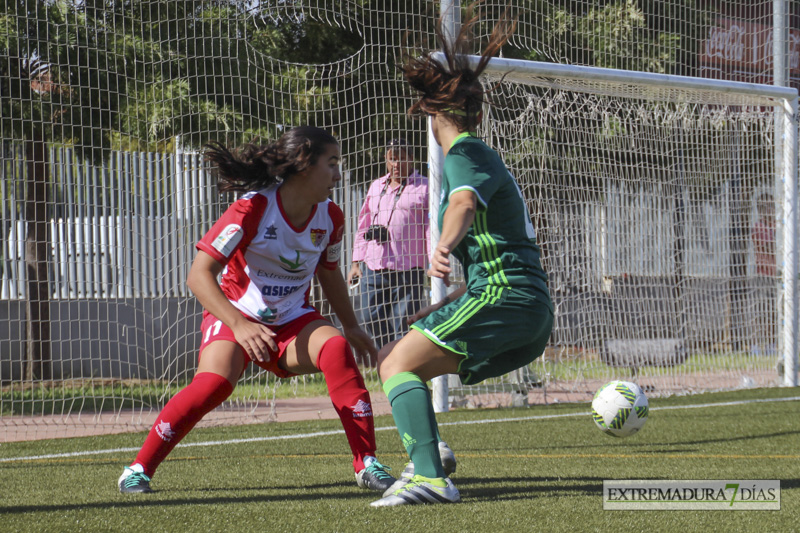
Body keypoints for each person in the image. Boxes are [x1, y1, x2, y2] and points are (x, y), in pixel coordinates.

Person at [117, 126, 396, 494]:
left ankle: (367, 464)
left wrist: (352, 326)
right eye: (331, 164)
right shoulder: (252, 207)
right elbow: (199, 276)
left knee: (336, 348)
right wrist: (239, 325)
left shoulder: (332, 216)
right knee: (214, 384)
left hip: (292, 320)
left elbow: (329, 272)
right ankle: (138, 469)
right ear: (303, 166)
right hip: (234, 313)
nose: (338, 174)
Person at [370, 9, 554, 507]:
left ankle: (430, 478)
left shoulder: (463, 155)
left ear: (435, 115)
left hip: (508, 297)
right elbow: (493, 245)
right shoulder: (482, 152)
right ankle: (430, 456)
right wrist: (440, 304)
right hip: (521, 305)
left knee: (397, 367)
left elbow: (463, 204)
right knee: (397, 360)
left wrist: (444, 244)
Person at [347, 138, 429, 361]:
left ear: (411, 159)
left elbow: (431, 228)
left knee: (404, 321)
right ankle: (387, 357)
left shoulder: (424, 186)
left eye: (402, 158)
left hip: (408, 268)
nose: (396, 164)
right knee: (370, 316)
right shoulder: (376, 186)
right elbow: (363, 224)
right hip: (375, 266)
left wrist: (431, 261)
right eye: (392, 159)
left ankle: (403, 365)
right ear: (386, 160)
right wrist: (356, 263)